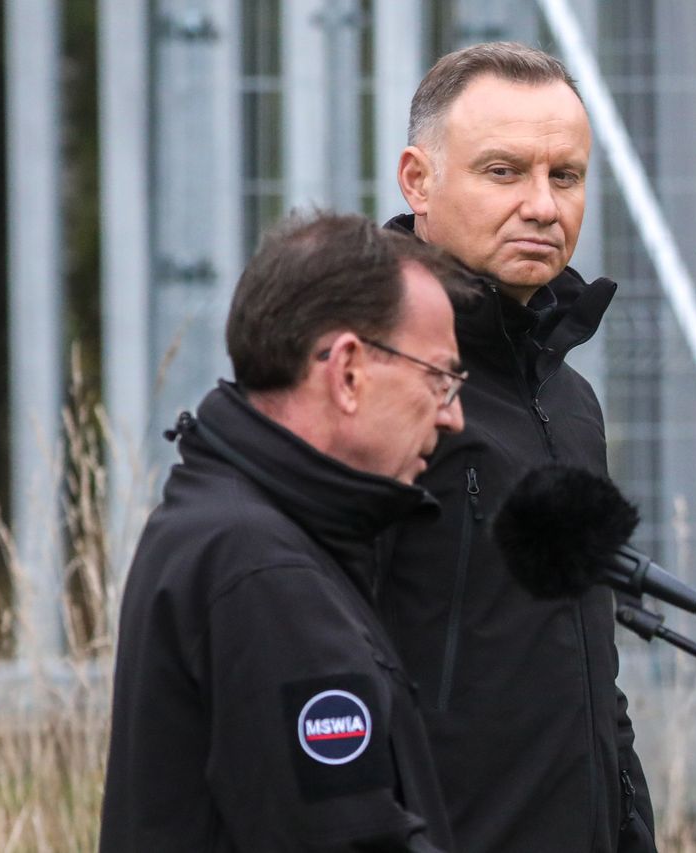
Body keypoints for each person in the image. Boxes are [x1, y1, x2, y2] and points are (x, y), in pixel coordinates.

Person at [100, 211, 468, 852]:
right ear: (348, 371)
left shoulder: (229, 524)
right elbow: (347, 838)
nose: (454, 417)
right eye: (440, 378)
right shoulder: (265, 571)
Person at [380, 42, 658, 852]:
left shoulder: (570, 401)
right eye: (504, 172)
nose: (543, 205)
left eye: (565, 176)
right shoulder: (367, 385)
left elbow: (589, 669)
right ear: (417, 180)